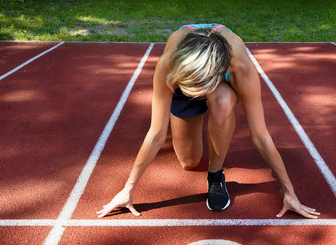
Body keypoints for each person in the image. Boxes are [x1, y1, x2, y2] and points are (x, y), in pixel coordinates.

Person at [97, 24, 320, 219]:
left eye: (200, 91)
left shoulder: (241, 68)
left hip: (217, 79)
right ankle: (194, 108)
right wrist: (128, 188)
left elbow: (260, 136)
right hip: (190, 69)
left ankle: (216, 175)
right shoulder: (168, 64)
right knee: (189, 162)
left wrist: (289, 192)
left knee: (222, 104)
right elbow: (156, 133)